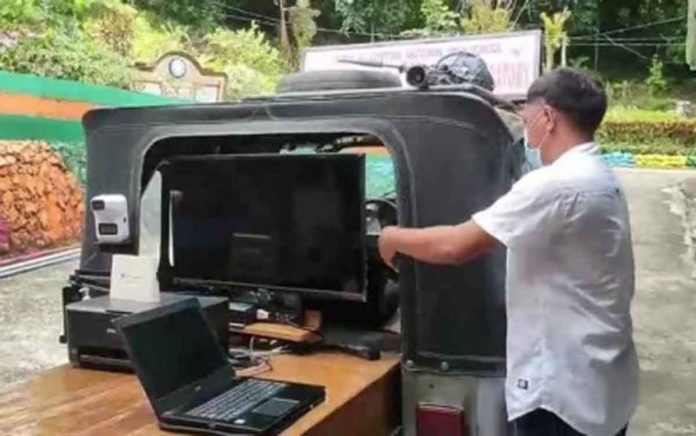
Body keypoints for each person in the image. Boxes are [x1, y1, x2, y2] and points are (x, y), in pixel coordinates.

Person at [378, 68, 638, 436]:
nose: (526, 129)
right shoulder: (601, 177)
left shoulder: (556, 184)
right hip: (604, 382)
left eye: (527, 118)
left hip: (562, 394)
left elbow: (456, 245)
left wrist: (392, 237)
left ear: (548, 117)